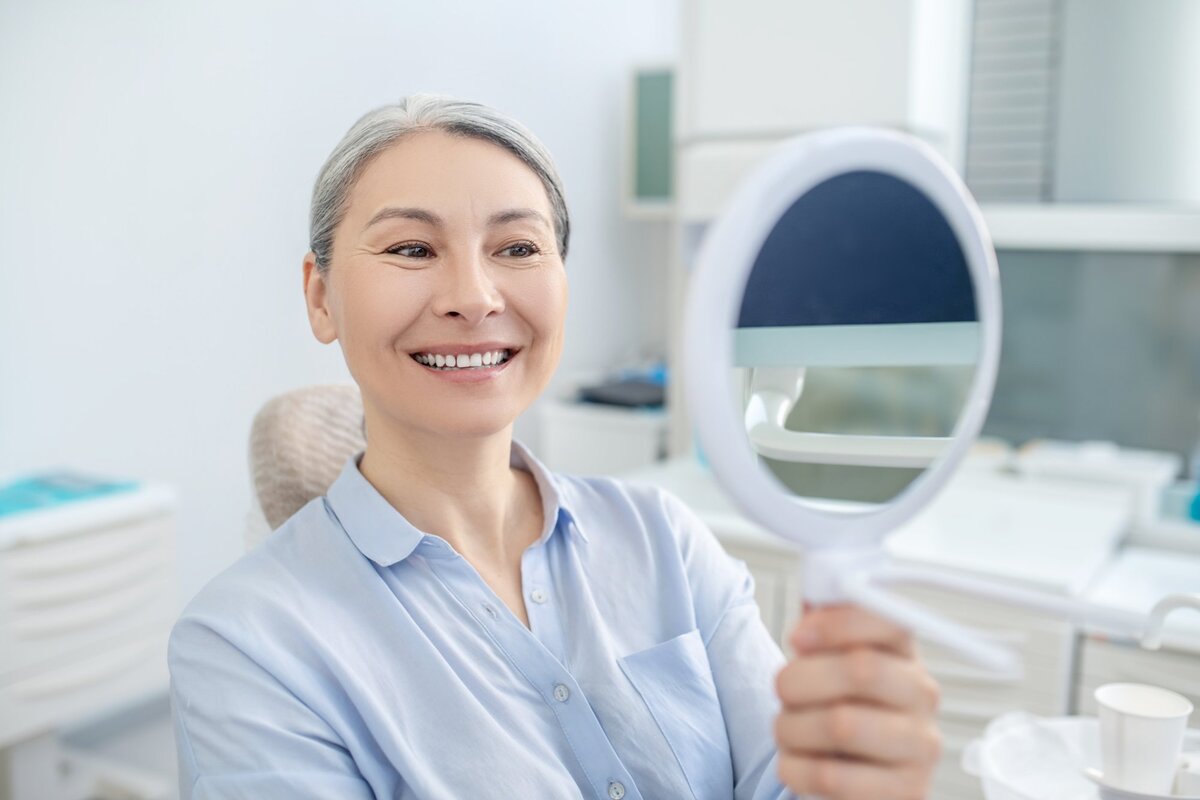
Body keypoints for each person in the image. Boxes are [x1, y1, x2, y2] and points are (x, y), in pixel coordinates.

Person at [168, 95, 941, 800]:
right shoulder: (247, 644)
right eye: (411, 249)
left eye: (517, 249)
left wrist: (859, 779)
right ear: (320, 296)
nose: (474, 297)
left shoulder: (663, 540)